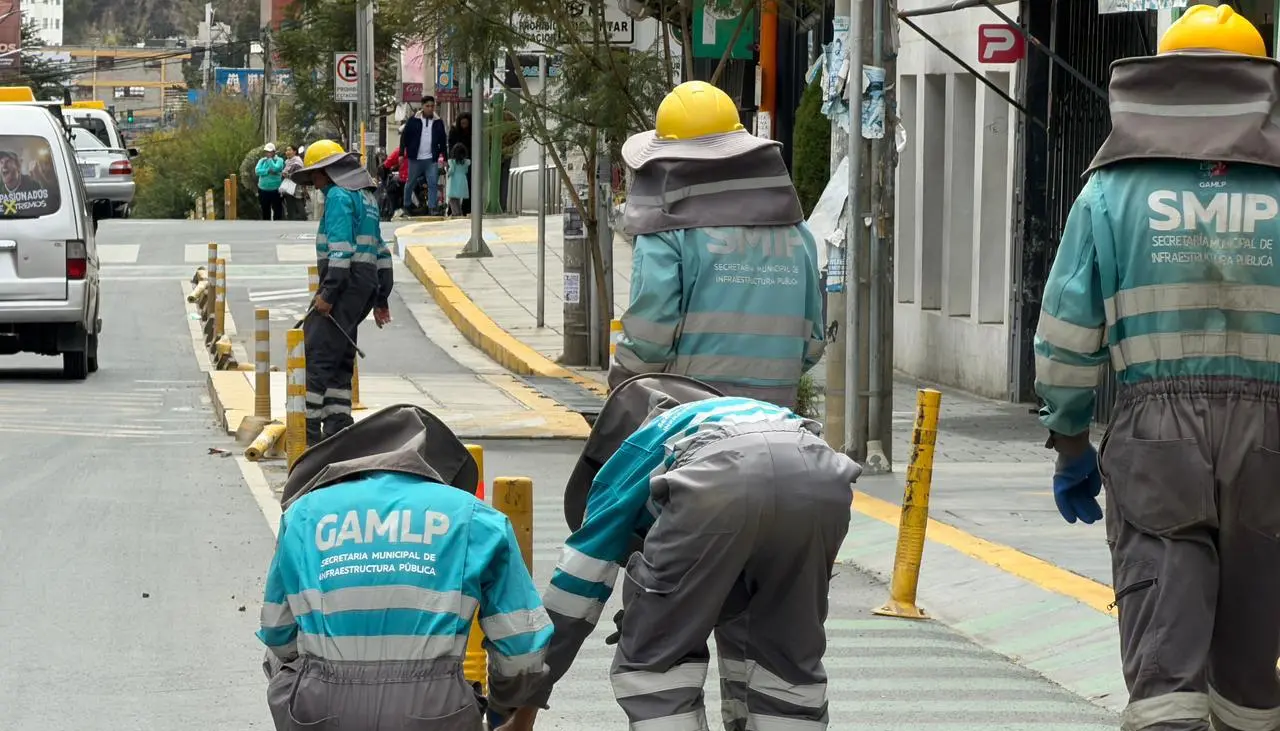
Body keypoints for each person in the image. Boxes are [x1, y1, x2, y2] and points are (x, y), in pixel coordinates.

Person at [1033, 8, 1280, 731]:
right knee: (1252, 671)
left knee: (1166, 671)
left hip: (1156, 440)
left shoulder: (1111, 190)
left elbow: (1066, 335)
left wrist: (1071, 440)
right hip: (1272, 443)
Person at [494, 389, 861, 731]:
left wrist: (524, 707)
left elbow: (575, 591)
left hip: (720, 479)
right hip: (821, 478)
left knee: (656, 669)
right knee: (786, 661)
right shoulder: (728, 414)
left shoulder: (635, 452)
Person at [257, 404, 553, 731]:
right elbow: (523, 651)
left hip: (320, 713)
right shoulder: (474, 517)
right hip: (436, 714)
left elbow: (277, 633)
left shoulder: (302, 514)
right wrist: (503, 715)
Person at [608, 80, 826, 410]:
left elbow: (649, 339)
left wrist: (621, 380)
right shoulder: (796, 231)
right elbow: (812, 342)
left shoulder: (667, 232)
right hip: (776, 416)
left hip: (691, 417)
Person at [290, 139, 395, 445]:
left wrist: (328, 294)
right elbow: (381, 251)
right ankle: (337, 424)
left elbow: (340, 251)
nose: (314, 183)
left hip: (344, 283)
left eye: (317, 175)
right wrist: (380, 297)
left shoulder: (338, 196)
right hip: (364, 285)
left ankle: (307, 429)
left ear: (329, 171)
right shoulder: (366, 198)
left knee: (318, 352)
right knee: (340, 353)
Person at [400, 97, 448, 215]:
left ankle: (432, 207)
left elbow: (442, 141)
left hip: (431, 158)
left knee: (432, 183)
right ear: (422, 106)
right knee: (410, 182)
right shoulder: (413, 120)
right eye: (427, 106)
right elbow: (404, 137)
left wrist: (445, 158)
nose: (430, 108)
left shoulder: (438, 122)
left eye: (432, 106)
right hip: (415, 158)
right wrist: (401, 153)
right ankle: (406, 205)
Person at [255, 142, 286, 221]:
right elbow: (257, 171)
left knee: (277, 209)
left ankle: (277, 225)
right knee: (265, 209)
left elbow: (276, 168)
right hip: (263, 189)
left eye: (269, 151)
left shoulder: (279, 160)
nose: (267, 153)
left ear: (274, 152)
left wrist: (270, 161)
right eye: (266, 151)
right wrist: (267, 171)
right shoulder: (262, 160)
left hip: (275, 189)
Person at [281, 144, 308, 221]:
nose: (287, 152)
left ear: (294, 151)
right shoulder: (287, 161)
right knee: (289, 202)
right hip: (288, 185)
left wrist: (287, 175)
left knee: (298, 201)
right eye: (286, 150)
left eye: (289, 150)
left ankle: (304, 218)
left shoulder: (297, 161)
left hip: (296, 184)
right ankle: (291, 219)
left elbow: (297, 174)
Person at [446, 143, 471, 217]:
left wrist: (448, 173)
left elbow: (452, 171)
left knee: (452, 199)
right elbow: (466, 171)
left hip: (454, 182)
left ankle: (455, 213)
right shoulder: (466, 162)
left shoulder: (452, 162)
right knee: (458, 200)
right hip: (462, 181)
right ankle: (460, 213)